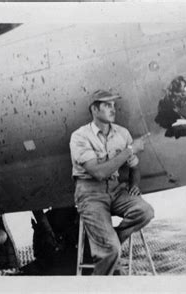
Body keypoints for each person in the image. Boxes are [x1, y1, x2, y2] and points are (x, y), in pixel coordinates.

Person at [69, 90, 154, 275]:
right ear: (94, 109)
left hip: (115, 190)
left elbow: (134, 167)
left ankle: (111, 240)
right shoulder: (80, 136)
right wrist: (130, 149)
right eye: (107, 105)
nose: (113, 109)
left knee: (145, 211)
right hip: (90, 194)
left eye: (114, 105)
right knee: (112, 250)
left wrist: (134, 185)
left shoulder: (122, 134)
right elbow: (98, 173)